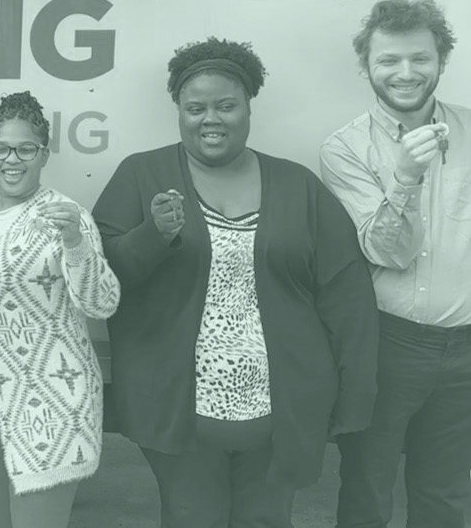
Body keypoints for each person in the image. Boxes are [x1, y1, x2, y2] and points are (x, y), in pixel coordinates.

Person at [91, 37, 379, 528]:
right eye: (195, 107)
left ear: (248, 108)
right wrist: (153, 236)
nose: (211, 119)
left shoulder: (298, 185)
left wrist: (354, 396)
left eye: (226, 105)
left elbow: (347, 295)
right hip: (178, 413)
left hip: (281, 412)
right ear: (178, 111)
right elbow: (101, 282)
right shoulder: (142, 174)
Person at [319, 0, 471, 528]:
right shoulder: (345, 149)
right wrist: (405, 177)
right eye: (389, 61)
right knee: (367, 490)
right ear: (367, 67)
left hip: (466, 346)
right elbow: (390, 253)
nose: (405, 73)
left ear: (442, 61)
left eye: (420, 59)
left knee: (448, 495)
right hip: (387, 343)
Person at [0, 92, 120, 528]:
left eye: (26, 149)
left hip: (50, 399)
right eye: (1, 148)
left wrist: (76, 243)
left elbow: (102, 302)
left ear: (44, 154)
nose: (12, 160)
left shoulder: (65, 214)